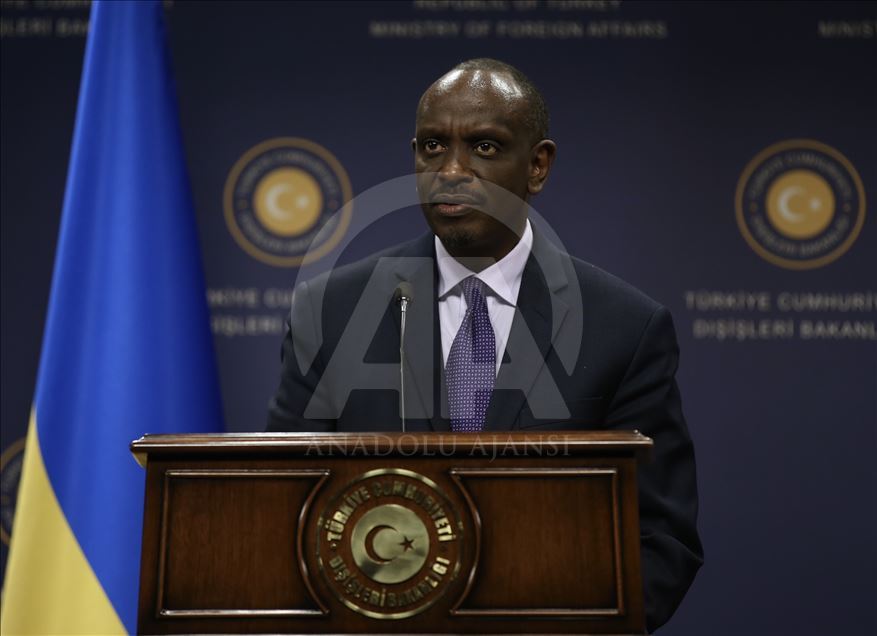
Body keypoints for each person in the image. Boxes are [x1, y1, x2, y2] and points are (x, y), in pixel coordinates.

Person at [267, 58, 703, 632]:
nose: (452, 170)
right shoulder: (330, 312)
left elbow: (659, 541)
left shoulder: (625, 327)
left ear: (538, 166)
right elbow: (282, 516)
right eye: (432, 146)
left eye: (484, 147)